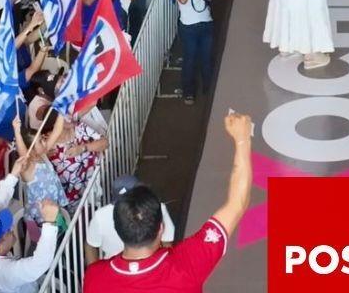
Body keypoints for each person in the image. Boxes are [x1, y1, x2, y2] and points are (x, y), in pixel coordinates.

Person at [82, 112, 254, 293]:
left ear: (117, 229)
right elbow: (237, 203)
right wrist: (242, 140)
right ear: (161, 228)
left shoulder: (95, 278)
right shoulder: (185, 265)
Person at [84, 176, 177, 264]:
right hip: (149, 264)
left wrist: (94, 270)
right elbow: (167, 241)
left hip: (114, 269)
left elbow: (90, 245)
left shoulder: (100, 215)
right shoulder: (157, 207)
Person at [174, 0, 221, 105]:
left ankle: (209, 88)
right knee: (190, 59)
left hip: (206, 24)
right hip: (189, 28)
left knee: (207, 58)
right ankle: (188, 92)